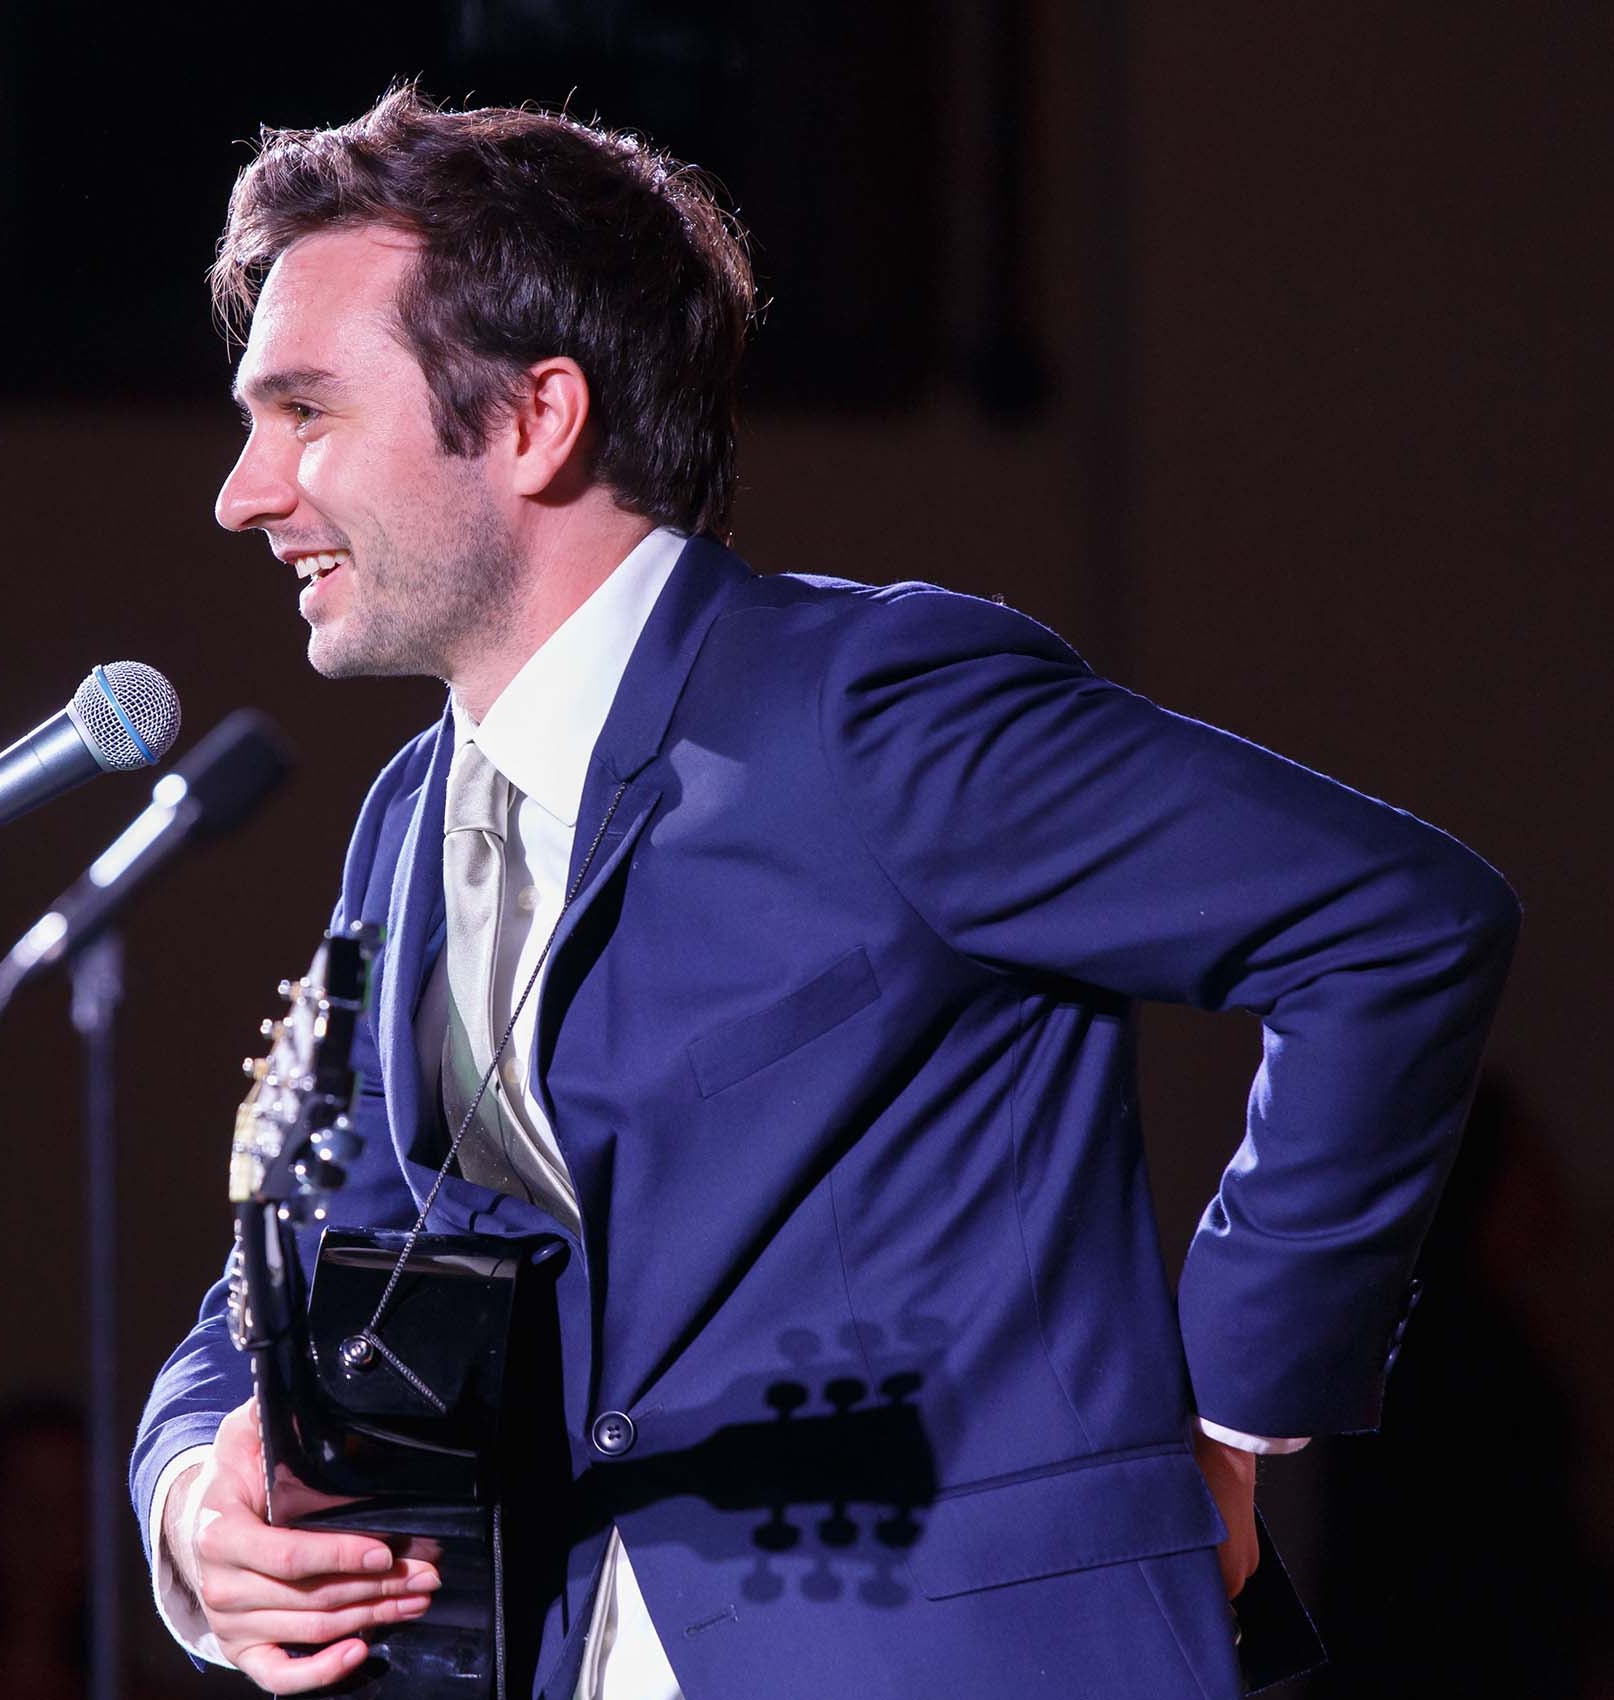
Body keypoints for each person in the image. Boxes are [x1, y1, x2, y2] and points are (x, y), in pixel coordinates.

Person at [128, 86, 1522, 1700]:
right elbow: (303, 1251)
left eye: (304, 412)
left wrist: (1226, 1416)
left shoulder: (868, 714)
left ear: (534, 420)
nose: (245, 490)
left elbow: (1394, 921)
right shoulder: (413, 817)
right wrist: (191, 1511)